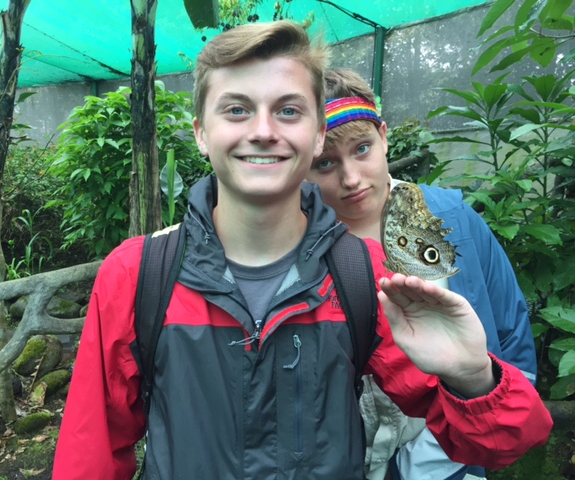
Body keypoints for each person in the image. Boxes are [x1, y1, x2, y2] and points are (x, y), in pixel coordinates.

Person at [53, 21, 552, 480]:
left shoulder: (365, 270)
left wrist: (473, 377)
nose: (263, 130)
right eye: (236, 109)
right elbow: (90, 453)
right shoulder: (138, 274)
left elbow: (499, 439)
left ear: (316, 136)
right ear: (201, 132)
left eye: (288, 110)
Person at [305, 68, 539, 480]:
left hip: (456, 453)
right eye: (324, 163)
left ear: (383, 136)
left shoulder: (452, 220)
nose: (351, 179)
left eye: (362, 149)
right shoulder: (302, 249)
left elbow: (510, 328)